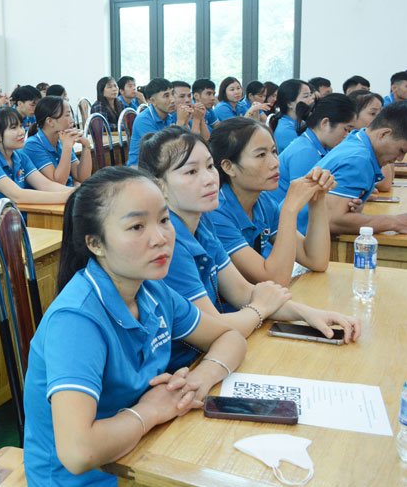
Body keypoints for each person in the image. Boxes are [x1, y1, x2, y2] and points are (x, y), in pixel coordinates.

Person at [22, 167, 247, 487]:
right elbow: (78, 452)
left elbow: (229, 336)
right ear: (95, 243)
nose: (160, 238)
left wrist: (198, 380)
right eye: (137, 226)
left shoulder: (152, 290)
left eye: (164, 219)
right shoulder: (76, 321)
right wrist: (149, 412)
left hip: (143, 452)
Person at [139, 127, 360, 371]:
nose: (209, 178)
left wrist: (308, 314)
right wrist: (260, 308)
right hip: (184, 368)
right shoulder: (167, 243)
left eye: (210, 166)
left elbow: (242, 291)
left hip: (221, 349)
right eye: (191, 171)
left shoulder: (202, 222)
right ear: (159, 186)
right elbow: (213, 328)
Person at [207, 118, 334, 286]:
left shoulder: (263, 202)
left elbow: (316, 260)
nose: (275, 163)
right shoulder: (216, 213)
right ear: (229, 167)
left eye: (274, 151)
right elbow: (275, 278)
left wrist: (318, 197)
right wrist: (289, 209)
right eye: (261, 155)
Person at [0, 107, 73, 222]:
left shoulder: (19, 156)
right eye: (13, 128)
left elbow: (45, 185)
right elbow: (18, 196)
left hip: (14, 221)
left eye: (21, 126)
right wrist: (69, 196)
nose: (21, 132)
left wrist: (76, 191)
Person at [319, 102, 407, 235]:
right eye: (401, 150)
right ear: (384, 134)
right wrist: (396, 222)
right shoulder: (359, 159)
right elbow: (331, 221)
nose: (400, 158)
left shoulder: (357, 140)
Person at [270, 95, 357, 230]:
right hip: (281, 229)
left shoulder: (318, 148)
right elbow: (303, 205)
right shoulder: (306, 152)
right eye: (346, 130)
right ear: (325, 123)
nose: (347, 136)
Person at [24, 96, 92, 186]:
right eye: (67, 115)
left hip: (68, 191)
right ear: (50, 121)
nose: (72, 120)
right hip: (56, 194)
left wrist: (86, 146)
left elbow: (82, 177)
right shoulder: (32, 145)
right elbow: (58, 183)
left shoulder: (62, 140)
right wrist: (67, 146)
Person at [126, 78, 180, 167]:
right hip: (141, 169)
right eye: (166, 96)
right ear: (153, 101)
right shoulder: (143, 120)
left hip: (162, 166)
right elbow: (160, 152)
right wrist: (181, 123)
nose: (173, 100)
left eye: (173, 93)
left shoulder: (170, 116)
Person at [270, 79, 312, 152]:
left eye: (310, 95)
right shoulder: (286, 131)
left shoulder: (299, 122)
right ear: (289, 103)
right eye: (306, 96)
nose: (311, 100)